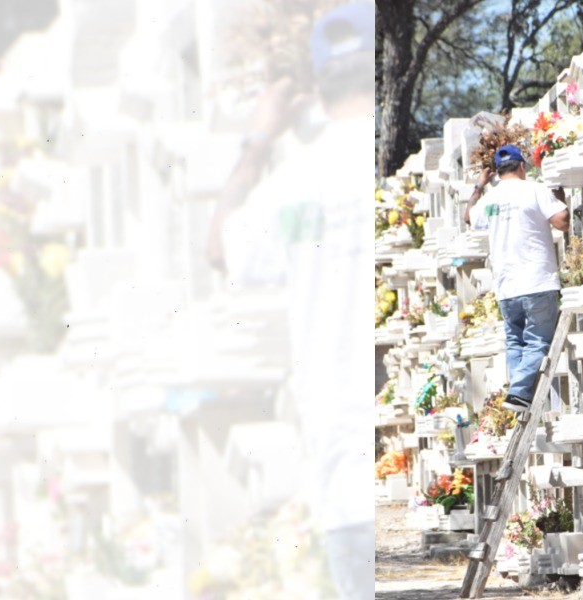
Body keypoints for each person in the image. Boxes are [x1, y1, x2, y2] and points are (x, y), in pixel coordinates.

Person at [205, 3, 377, 598]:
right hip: (436, 470)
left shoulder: (296, 179)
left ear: (313, 84)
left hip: (347, 475)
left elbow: (219, 248)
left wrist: (258, 140)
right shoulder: (400, 150)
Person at [463, 145, 570, 413]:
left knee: (515, 341)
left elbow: (468, 218)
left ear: (497, 173)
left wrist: (478, 186)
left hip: (506, 287)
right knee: (538, 341)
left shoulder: (490, 198)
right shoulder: (533, 189)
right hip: (537, 280)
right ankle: (519, 393)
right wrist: (558, 194)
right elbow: (562, 221)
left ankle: (519, 393)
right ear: (522, 166)